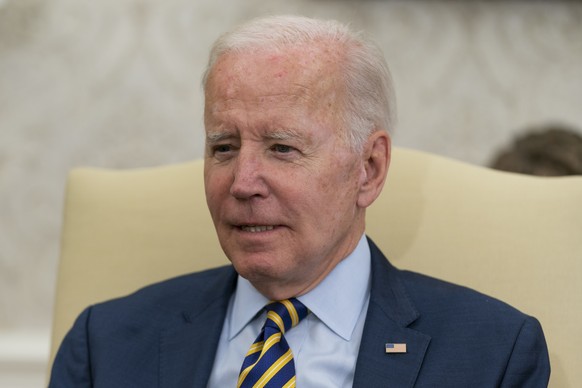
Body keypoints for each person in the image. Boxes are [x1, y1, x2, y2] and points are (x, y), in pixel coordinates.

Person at [49, 15, 550, 387]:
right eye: (223, 147)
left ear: (368, 169)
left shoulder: (493, 354)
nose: (243, 182)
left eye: (282, 149)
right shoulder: (106, 344)